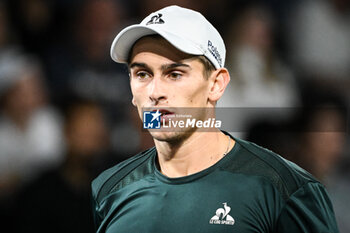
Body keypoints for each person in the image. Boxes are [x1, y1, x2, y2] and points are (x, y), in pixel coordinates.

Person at [91, 5, 339, 233]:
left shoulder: (285, 190)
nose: (155, 93)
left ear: (216, 85)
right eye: (142, 74)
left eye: (174, 74)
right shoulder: (109, 189)